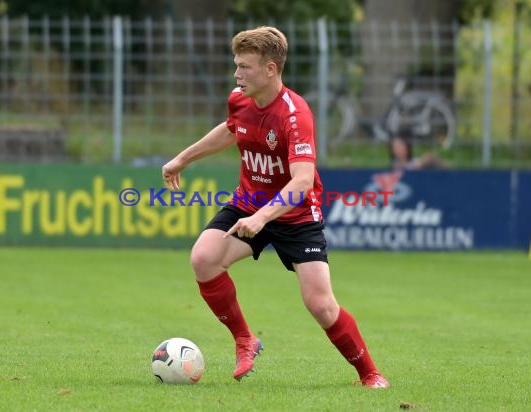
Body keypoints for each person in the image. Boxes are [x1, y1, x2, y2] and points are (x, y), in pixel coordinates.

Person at [161, 26, 389, 389]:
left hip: (295, 215)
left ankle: (370, 374)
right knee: (203, 259)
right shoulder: (239, 98)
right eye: (236, 65)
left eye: (245, 67)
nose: (237, 74)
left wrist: (263, 217)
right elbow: (231, 129)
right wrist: (182, 159)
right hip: (248, 203)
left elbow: (301, 181)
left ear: (271, 69)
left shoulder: (295, 114)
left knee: (320, 305)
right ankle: (245, 339)